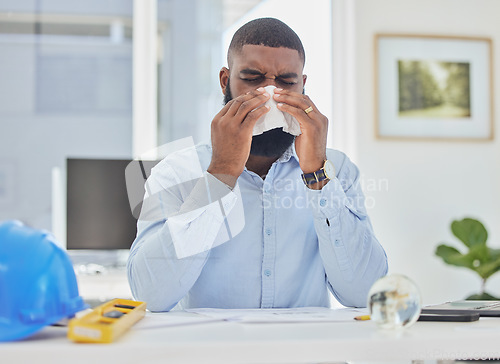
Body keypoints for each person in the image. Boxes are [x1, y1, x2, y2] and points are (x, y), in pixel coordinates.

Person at [127, 17, 387, 312]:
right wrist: (221, 174)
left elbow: (366, 294)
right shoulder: (176, 171)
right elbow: (150, 297)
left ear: (302, 85)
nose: (270, 96)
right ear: (226, 80)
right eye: (252, 79)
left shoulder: (336, 169)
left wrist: (317, 174)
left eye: (287, 82)